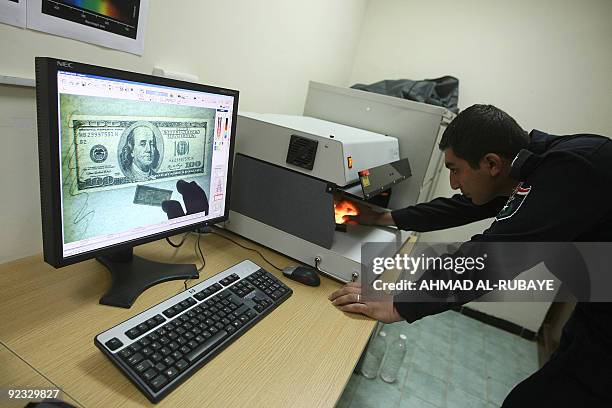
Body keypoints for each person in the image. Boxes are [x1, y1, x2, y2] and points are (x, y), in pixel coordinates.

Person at [328, 104, 612, 406]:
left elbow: (494, 254)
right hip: (592, 310)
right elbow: (462, 206)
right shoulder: (528, 166)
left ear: (491, 163)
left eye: (454, 169)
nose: (453, 182)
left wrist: (401, 302)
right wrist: (382, 218)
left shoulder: (573, 169)